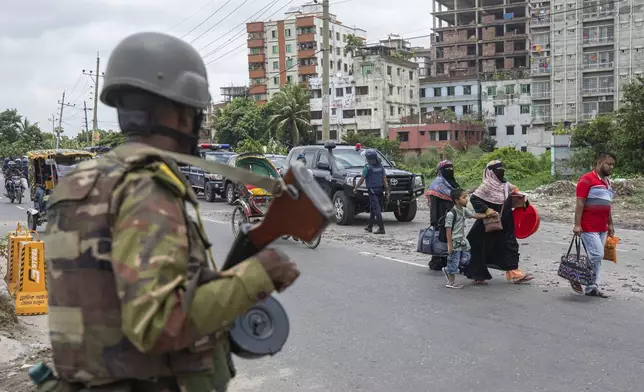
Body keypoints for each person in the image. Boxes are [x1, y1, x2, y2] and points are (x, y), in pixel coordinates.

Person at [43, 32, 300, 392]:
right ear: (181, 115)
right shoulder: (146, 186)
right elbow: (157, 323)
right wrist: (257, 275)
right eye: (195, 112)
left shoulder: (81, 182)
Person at [463, 160, 534, 284]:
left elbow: (517, 193)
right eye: (497, 169)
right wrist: (486, 209)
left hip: (506, 221)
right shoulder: (486, 185)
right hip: (488, 222)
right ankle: (478, 275)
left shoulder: (506, 185)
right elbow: (474, 199)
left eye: (502, 168)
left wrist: (525, 204)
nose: (501, 171)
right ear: (490, 172)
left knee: (510, 246)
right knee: (478, 245)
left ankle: (515, 274)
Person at [571, 152, 616, 298]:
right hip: (588, 226)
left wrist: (610, 224)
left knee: (596, 257)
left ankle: (591, 287)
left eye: (613, 165)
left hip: (602, 226)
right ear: (599, 162)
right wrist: (577, 225)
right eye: (608, 164)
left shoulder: (607, 182)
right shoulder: (586, 179)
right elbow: (580, 202)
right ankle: (575, 275)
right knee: (597, 254)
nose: (611, 167)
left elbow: (607, 205)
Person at [443, 188, 497, 289]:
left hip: (462, 241)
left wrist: (487, 214)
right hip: (455, 241)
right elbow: (448, 230)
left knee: (466, 259)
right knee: (454, 261)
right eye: (464, 197)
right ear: (456, 200)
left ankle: (448, 269)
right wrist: (450, 245)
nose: (466, 199)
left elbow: (474, 215)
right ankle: (451, 282)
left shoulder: (463, 210)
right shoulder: (451, 214)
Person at [425, 160, 460, 271]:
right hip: (441, 217)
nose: (450, 170)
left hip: (454, 216)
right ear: (441, 170)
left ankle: (450, 262)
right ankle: (437, 262)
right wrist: (433, 220)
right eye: (447, 168)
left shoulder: (452, 183)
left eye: (451, 168)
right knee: (441, 240)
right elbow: (433, 205)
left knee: (453, 239)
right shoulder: (437, 184)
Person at [353, 149, 390, 234]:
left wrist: (355, 188)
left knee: (376, 210)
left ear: (368, 158)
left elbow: (362, 180)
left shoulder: (367, 168)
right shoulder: (381, 167)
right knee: (373, 208)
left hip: (372, 191)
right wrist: (387, 190)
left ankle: (381, 228)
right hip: (380, 190)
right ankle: (370, 227)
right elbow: (384, 180)